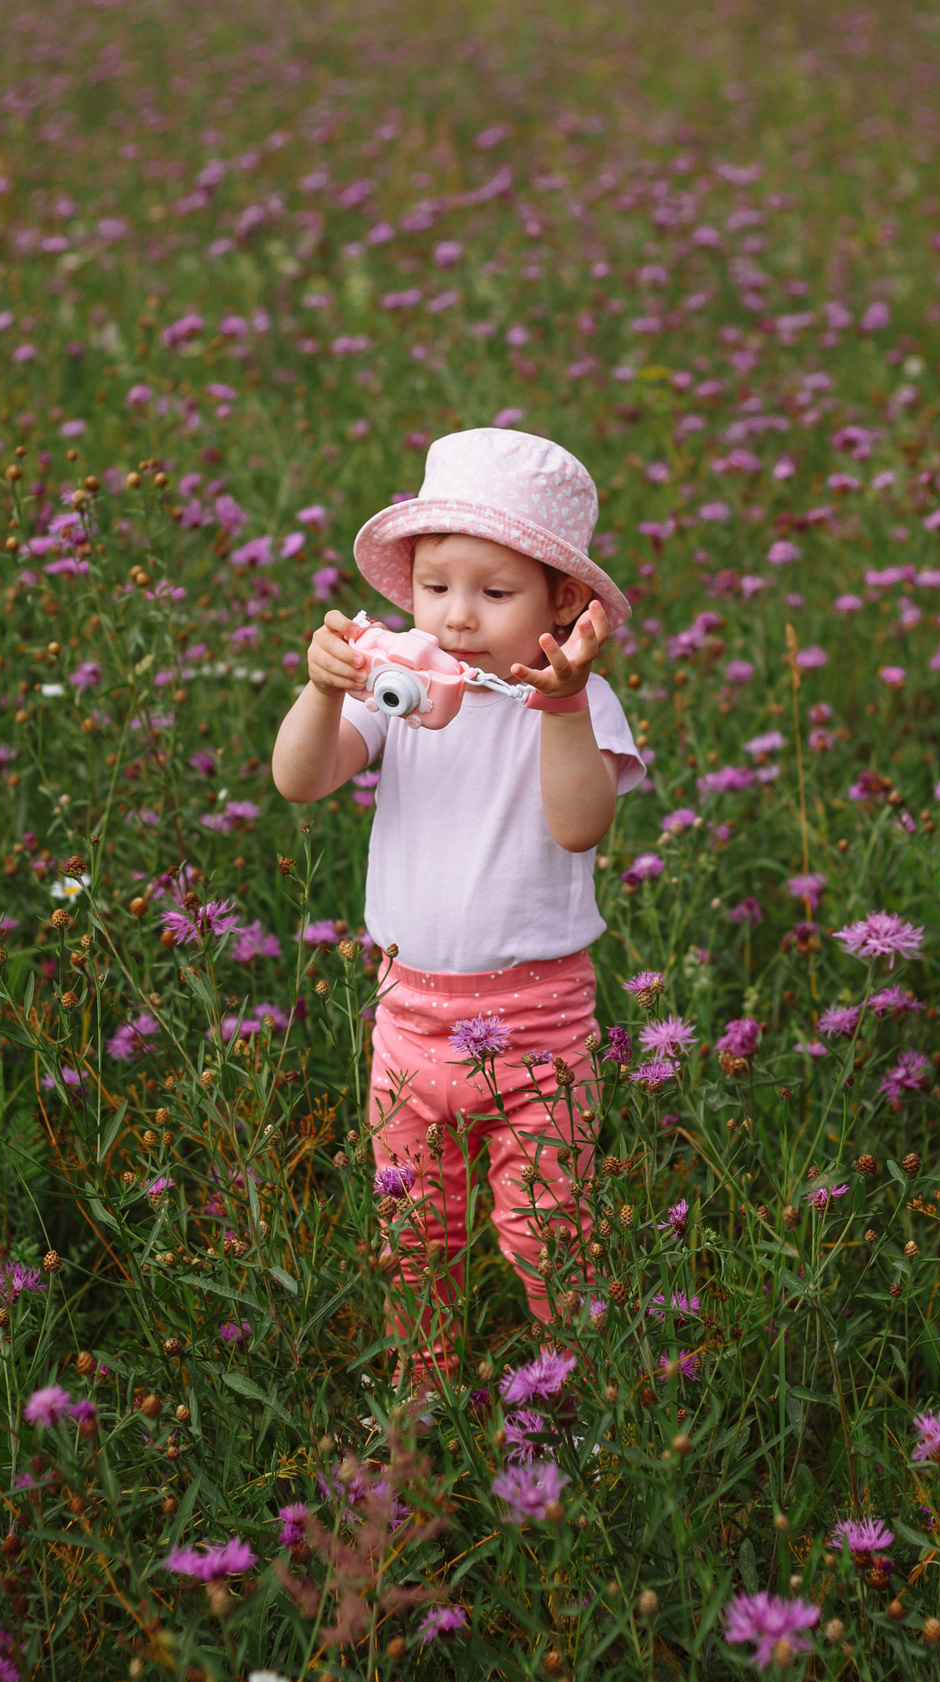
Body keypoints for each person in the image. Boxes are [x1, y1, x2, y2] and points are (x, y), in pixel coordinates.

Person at [270, 427, 646, 1391]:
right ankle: (419, 1397)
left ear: (564, 602)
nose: (459, 616)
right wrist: (321, 691)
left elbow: (578, 826)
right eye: (436, 587)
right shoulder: (404, 684)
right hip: (407, 1016)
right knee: (410, 1235)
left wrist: (559, 709)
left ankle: (583, 1394)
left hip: (536, 1022)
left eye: (495, 591)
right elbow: (301, 780)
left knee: (551, 1238)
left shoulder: (579, 706)